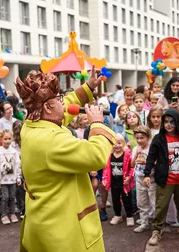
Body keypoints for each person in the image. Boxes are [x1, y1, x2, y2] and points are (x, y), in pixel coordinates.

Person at [16, 68, 116, 251]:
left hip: (42, 220)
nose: (63, 103)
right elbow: (96, 155)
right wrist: (98, 124)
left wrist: (87, 88)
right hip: (62, 229)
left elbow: (59, 114)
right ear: (47, 106)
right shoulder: (52, 140)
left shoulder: (31, 125)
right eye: (59, 100)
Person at [144, 109, 179, 246]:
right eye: (166, 122)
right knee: (161, 206)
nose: (169, 125)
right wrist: (146, 174)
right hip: (165, 179)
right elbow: (151, 157)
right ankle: (157, 230)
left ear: (177, 122)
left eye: (172, 122)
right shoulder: (158, 138)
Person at [102, 134, 134, 226]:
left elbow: (132, 167)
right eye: (114, 143)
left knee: (127, 199)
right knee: (115, 199)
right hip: (114, 182)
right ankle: (117, 215)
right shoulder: (109, 155)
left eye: (119, 143)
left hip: (124, 183)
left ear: (123, 143)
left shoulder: (127, 154)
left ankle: (129, 216)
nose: (116, 145)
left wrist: (129, 177)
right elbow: (106, 169)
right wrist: (105, 178)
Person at [0, 129, 22, 225]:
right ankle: (4, 214)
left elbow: (17, 164)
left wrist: (18, 177)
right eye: (5, 139)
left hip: (12, 179)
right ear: (1, 139)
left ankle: (12, 213)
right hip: (3, 180)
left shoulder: (14, 151)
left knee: (12, 197)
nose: (8, 141)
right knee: (5, 197)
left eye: (9, 138)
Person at [132, 126, 155, 233]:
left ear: (148, 137)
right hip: (139, 179)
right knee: (141, 203)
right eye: (137, 138)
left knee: (154, 203)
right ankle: (144, 223)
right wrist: (137, 154)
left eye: (142, 138)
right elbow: (132, 164)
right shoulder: (135, 149)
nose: (139, 140)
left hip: (152, 179)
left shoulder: (152, 149)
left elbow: (158, 163)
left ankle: (157, 226)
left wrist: (146, 162)